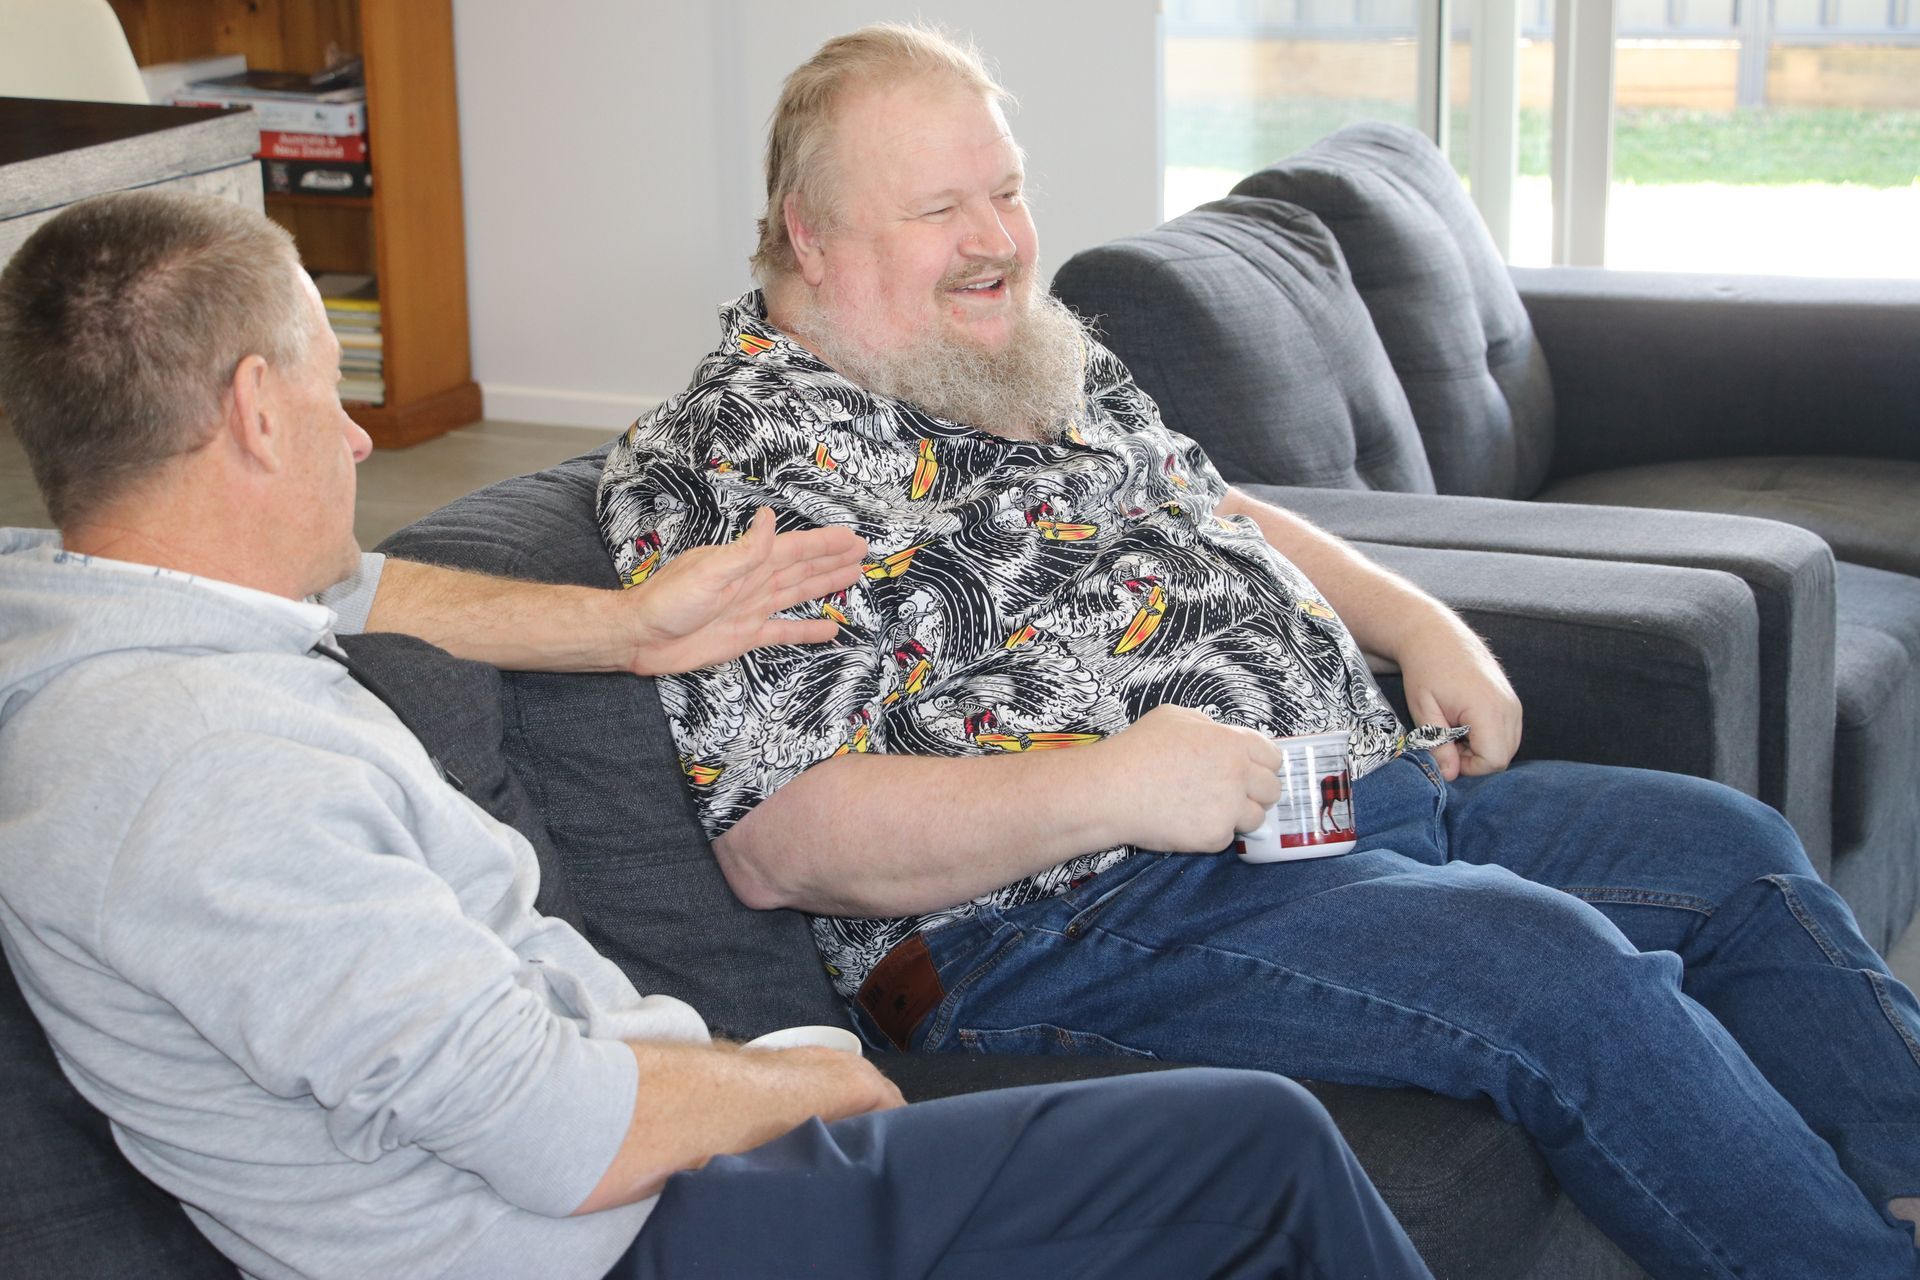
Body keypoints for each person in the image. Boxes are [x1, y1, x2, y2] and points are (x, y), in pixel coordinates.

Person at [595, 22, 1920, 1280]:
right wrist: (1112, 785)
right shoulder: (730, 469)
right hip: (1071, 920)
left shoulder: (1017, 351)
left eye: (1008, 191)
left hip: (1347, 811)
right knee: (1560, 981)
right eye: (941, 211)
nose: (998, 239)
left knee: (1730, 853)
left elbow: (1212, 507)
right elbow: (778, 841)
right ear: (808, 236)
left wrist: (1417, 622)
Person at [0, 192, 1435, 1280]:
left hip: (620, 1184)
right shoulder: (198, 769)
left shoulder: (133, 628)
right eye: (327, 383)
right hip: (609, 1243)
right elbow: (560, 1132)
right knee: (1256, 1144)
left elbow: (370, 581)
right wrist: (789, 1073)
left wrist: (634, 629)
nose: (360, 437)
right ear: (257, 412)